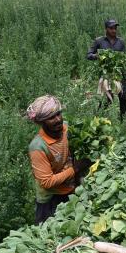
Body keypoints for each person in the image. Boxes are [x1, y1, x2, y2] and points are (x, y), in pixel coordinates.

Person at [26, 95, 90, 224]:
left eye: (58, 114)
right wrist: (75, 169)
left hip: (72, 190)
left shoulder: (67, 129)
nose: (58, 119)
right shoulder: (38, 147)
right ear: (42, 122)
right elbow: (47, 182)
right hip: (51, 198)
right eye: (51, 117)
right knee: (50, 235)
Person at [87, 19, 126, 120]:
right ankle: (103, 120)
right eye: (111, 28)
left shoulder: (121, 42)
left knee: (123, 98)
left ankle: (123, 119)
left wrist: (122, 64)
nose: (114, 30)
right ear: (106, 29)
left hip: (119, 74)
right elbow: (88, 55)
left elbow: (124, 57)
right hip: (105, 74)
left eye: (115, 28)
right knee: (107, 98)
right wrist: (97, 56)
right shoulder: (99, 41)